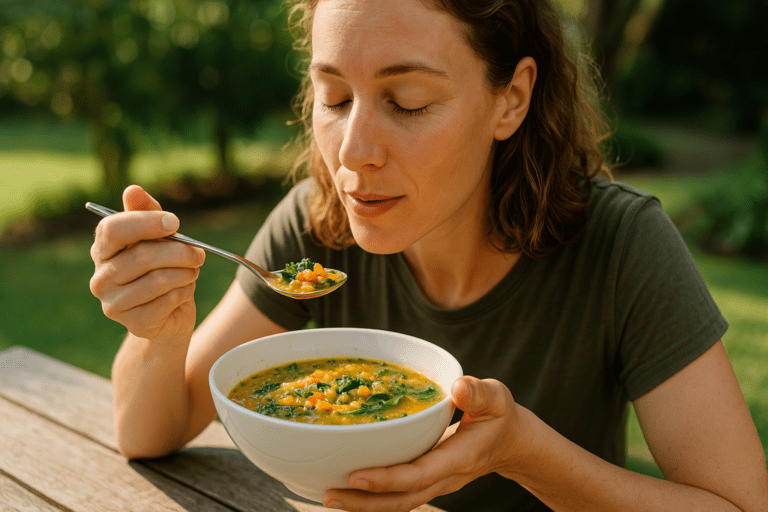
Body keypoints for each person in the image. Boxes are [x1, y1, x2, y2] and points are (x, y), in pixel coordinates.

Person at [88, 0, 768, 510]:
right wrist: (160, 331)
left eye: (407, 102)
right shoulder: (315, 226)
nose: (353, 152)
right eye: (334, 97)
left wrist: (522, 453)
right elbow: (151, 431)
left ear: (513, 98)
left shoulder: (622, 247)